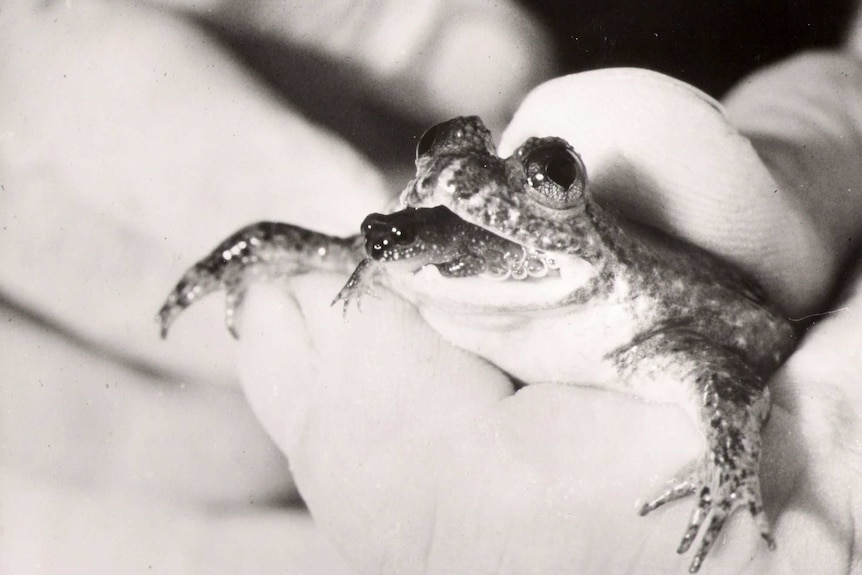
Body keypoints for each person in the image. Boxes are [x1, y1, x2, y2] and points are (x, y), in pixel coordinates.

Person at [2, 0, 860, 572]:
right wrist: (237, 257)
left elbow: (734, 382)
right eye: (439, 166)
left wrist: (726, 473)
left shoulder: (646, 330)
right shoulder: (425, 242)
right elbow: (312, 243)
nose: (455, 189)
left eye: (546, 177)